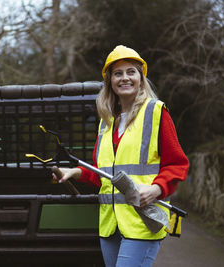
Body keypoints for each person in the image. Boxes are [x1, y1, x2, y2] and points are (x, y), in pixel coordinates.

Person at [52, 45, 189, 267]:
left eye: (131, 72)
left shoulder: (156, 113)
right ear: (110, 81)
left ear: (141, 78)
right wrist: (75, 172)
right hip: (110, 224)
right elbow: (103, 174)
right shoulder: (107, 124)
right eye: (118, 73)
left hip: (142, 220)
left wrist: (155, 189)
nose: (124, 78)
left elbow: (177, 164)